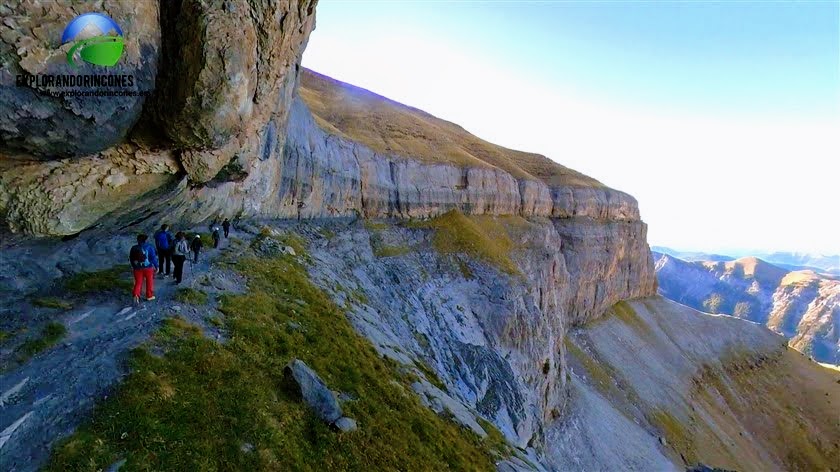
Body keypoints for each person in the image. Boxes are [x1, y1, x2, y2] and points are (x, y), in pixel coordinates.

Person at [129, 233, 158, 303]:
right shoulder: (150, 247)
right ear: (145, 240)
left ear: (138, 240)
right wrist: (156, 266)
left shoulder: (134, 248)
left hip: (137, 268)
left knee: (138, 282)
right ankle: (149, 296)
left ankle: (136, 295)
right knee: (149, 281)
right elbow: (153, 258)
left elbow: (131, 258)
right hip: (148, 268)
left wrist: (134, 266)